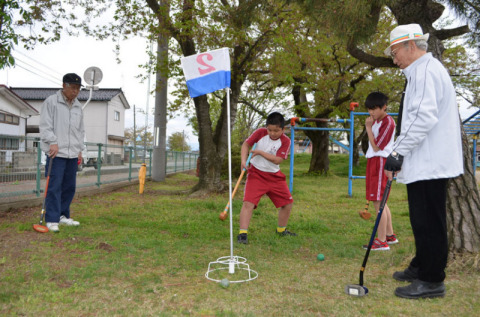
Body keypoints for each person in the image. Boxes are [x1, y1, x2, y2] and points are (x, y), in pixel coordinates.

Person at [383, 24, 463, 299]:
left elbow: (422, 117)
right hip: (426, 160)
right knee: (421, 219)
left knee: (429, 220)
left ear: (411, 46)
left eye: (395, 52)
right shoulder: (420, 71)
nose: (394, 59)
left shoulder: (426, 72)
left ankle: (431, 280)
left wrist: (396, 153)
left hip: (431, 161)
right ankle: (421, 264)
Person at [237, 112, 295, 244]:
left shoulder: (286, 141)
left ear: (283, 129)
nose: (272, 133)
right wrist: (243, 161)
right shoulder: (260, 133)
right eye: (270, 130)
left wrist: (260, 153)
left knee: (287, 203)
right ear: (266, 127)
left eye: (276, 130)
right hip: (256, 174)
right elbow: (246, 145)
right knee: (248, 203)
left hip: (275, 176)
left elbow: (278, 160)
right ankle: (242, 234)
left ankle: (281, 230)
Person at [39, 73, 85, 232]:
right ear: (64, 85)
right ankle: (51, 218)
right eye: (73, 87)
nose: (76, 91)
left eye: (78, 88)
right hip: (56, 152)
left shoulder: (78, 106)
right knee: (54, 186)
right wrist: (52, 142)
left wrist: (80, 149)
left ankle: (63, 215)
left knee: (69, 187)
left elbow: (80, 130)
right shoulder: (51, 102)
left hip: (72, 153)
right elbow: (45, 125)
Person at [363, 92, 397, 251]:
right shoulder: (377, 121)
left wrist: (368, 129)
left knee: (378, 202)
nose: (371, 113)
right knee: (381, 201)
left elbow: (377, 146)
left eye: (374, 109)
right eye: (369, 109)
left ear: (384, 107)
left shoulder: (388, 122)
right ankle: (389, 235)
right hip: (374, 160)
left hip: (381, 161)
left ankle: (381, 240)